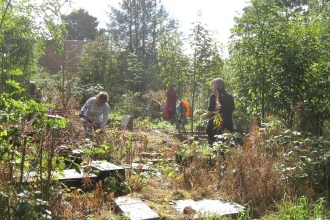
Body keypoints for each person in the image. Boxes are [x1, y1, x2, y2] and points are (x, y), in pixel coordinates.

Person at [202, 78, 235, 145]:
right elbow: (232, 109)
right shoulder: (230, 96)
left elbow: (210, 111)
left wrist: (204, 115)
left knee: (213, 144)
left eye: (212, 85)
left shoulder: (214, 96)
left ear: (216, 86)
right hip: (228, 124)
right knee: (226, 144)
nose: (211, 87)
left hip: (215, 125)